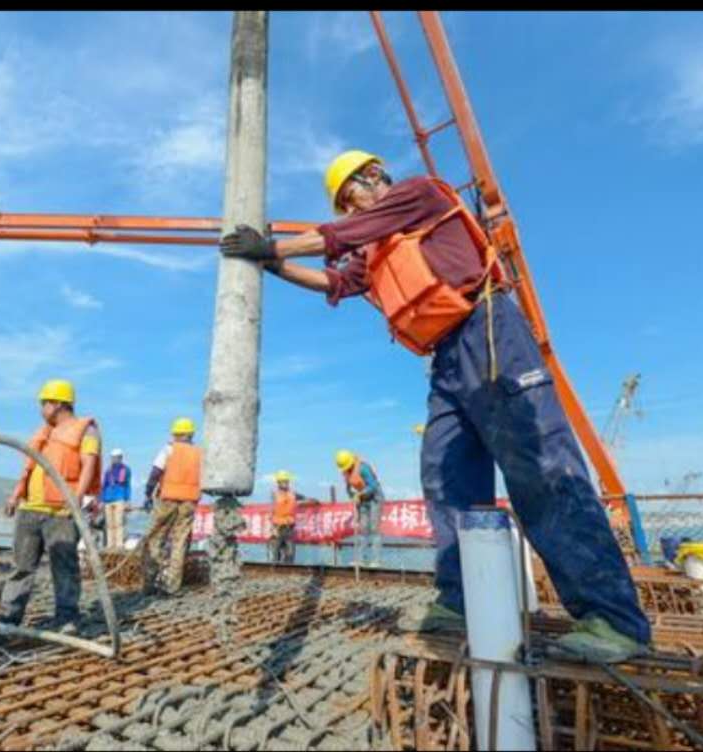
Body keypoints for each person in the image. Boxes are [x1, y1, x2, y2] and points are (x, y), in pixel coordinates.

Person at [218, 149, 650, 663]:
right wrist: (275, 265)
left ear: (372, 177)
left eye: (350, 198)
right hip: (447, 358)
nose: (351, 211)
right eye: (344, 205)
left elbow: (341, 236)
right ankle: (460, 600)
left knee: (539, 467)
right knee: (445, 474)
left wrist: (273, 244)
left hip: (488, 330)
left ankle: (612, 619)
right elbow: (336, 281)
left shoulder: (417, 194)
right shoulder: (377, 246)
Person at [0, 379, 101, 635]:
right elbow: (29, 468)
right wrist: (15, 495)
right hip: (30, 509)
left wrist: (76, 498)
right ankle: (8, 618)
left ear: (56, 404)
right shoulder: (44, 432)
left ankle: (67, 618)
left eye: (43, 404)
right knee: (21, 568)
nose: (41, 409)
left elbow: (88, 464)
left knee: (64, 567)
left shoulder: (85, 429)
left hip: (61, 512)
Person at [142, 418, 201, 596]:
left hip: (167, 499)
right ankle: (172, 586)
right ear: (191, 434)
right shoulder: (199, 453)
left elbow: (155, 472)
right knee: (180, 542)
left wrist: (148, 494)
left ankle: (150, 582)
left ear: (175, 434)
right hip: (189, 501)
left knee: (155, 538)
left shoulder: (169, 449)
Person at [335, 450, 383, 566]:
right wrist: (352, 496)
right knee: (362, 529)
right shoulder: (346, 472)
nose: (347, 469)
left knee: (374, 529)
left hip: (375, 499)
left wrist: (360, 494)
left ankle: (376, 560)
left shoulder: (363, 468)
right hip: (363, 500)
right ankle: (360, 560)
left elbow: (373, 486)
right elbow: (348, 489)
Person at [269, 470, 304, 564]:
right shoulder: (275, 494)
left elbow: (304, 499)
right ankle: (275, 571)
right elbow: (272, 511)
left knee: (290, 554)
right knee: (275, 555)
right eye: (283, 481)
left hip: (289, 528)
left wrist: (313, 502)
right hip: (278, 528)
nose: (286, 483)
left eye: (287, 481)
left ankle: (288, 570)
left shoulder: (293, 494)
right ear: (278, 483)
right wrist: (272, 528)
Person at [101, 448, 132, 549]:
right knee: (109, 523)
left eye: (117, 457)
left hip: (119, 498)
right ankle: (110, 544)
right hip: (108, 499)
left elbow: (127, 485)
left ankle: (119, 544)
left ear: (121, 458)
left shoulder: (126, 470)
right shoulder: (108, 471)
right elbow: (104, 485)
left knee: (119, 522)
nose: (115, 459)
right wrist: (102, 499)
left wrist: (127, 500)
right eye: (113, 457)